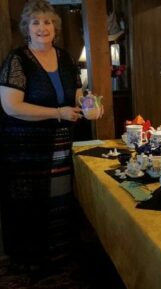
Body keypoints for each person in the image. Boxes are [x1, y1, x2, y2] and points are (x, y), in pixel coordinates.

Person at [0, 0, 96, 273]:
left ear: (55, 27)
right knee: (29, 205)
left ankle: (59, 257)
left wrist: (90, 107)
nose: (42, 27)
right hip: (24, 148)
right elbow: (11, 106)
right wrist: (58, 112)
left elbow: (78, 97)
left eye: (47, 22)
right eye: (35, 22)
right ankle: (31, 262)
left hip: (60, 143)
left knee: (60, 199)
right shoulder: (17, 60)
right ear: (26, 29)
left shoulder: (65, 58)